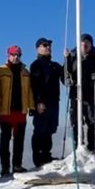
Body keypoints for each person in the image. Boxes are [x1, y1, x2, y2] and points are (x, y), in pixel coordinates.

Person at [0, 46, 35, 175]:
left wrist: (32, 106)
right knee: (5, 140)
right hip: (5, 111)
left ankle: (17, 165)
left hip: (21, 111)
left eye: (18, 54)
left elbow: (29, 90)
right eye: (13, 54)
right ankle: (5, 167)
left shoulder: (25, 72)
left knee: (19, 140)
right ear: (8, 55)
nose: (16, 57)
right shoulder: (1, 71)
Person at [65, 33, 95, 152]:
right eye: (82, 43)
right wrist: (67, 79)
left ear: (91, 45)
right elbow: (65, 74)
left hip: (91, 94)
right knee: (75, 122)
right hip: (75, 94)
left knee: (92, 121)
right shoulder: (72, 56)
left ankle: (92, 147)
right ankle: (78, 146)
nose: (85, 45)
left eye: (87, 43)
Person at [29, 38, 64, 167]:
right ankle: (38, 159)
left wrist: (67, 59)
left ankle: (46, 155)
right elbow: (35, 85)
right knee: (40, 129)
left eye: (49, 45)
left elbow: (65, 76)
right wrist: (39, 101)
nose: (48, 47)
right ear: (38, 48)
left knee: (49, 129)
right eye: (44, 45)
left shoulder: (54, 65)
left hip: (54, 102)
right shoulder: (36, 65)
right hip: (42, 103)